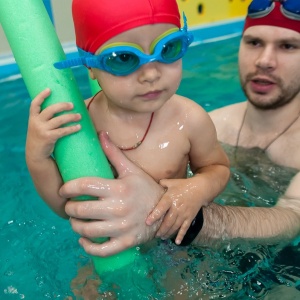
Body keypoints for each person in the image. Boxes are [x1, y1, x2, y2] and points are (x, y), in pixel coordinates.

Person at [57, 0, 300, 258]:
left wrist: (159, 212)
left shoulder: (190, 120)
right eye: (254, 42)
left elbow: (294, 220)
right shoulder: (208, 122)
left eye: (288, 46)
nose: (264, 61)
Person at [25, 0, 229, 246]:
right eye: (123, 58)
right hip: (114, 248)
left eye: (169, 48)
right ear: (90, 65)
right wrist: (37, 157)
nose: (151, 74)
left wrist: (196, 189)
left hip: (175, 245)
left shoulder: (190, 119)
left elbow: (217, 168)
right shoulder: (79, 124)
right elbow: (67, 207)